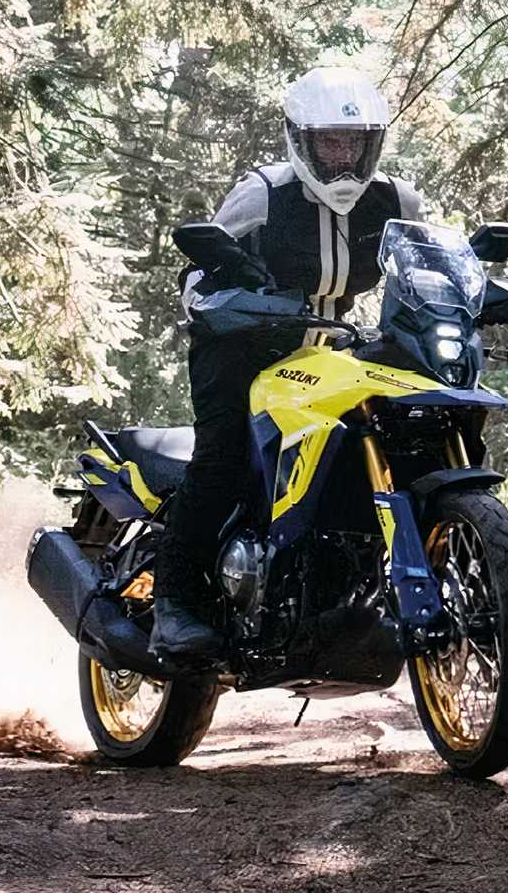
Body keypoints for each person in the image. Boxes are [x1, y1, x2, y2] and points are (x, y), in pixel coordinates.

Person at [150, 66, 427, 660]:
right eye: (331, 141)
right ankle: (174, 604)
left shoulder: (397, 201)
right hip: (240, 350)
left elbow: (427, 266)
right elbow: (196, 282)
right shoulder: (264, 194)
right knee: (224, 456)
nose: (344, 156)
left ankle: (353, 594)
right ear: (300, 139)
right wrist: (239, 290)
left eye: (355, 143)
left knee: (386, 435)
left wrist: (470, 284)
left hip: (329, 355)